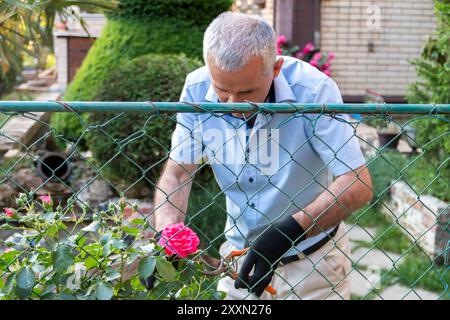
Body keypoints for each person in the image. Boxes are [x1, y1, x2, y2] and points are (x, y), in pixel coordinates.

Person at [151, 12, 373, 300]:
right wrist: (167, 233)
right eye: (222, 91)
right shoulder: (195, 88)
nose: (233, 106)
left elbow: (358, 183)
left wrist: (289, 232)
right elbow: (178, 173)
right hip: (237, 260)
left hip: (313, 264)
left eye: (247, 92)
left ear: (276, 68)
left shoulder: (314, 90)